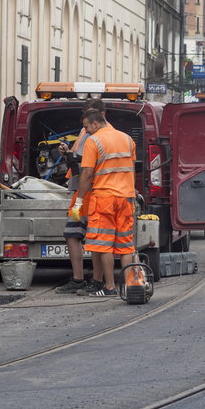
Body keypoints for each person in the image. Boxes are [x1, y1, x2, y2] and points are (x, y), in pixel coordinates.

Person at [71, 107, 137, 296]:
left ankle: (109, 287)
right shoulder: (127, 139)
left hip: (104, 199)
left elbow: (87, 174)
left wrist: (79, 201)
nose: (87, 132)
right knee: (125, 245)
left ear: (95, 123)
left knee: (103, 244)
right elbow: (131, 168)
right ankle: (131, 285)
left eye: (87, 127)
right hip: (126, 198)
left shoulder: (94, 141)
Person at [54, 98, 106, 294]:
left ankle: (96, 280)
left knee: (93, 237)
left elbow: (88, 168)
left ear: (100, 116)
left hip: (91, 193)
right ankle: (79, 279)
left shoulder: (99, 135)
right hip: (80, 191)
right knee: (73, 233)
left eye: (91, 114)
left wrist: (81, 198)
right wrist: (69, 153)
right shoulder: (86, 131)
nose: (87, 122)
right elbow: (79, 160)